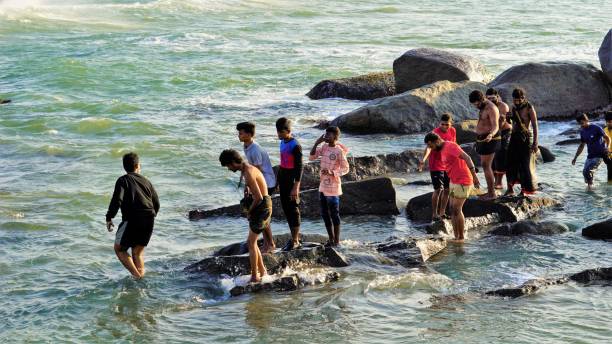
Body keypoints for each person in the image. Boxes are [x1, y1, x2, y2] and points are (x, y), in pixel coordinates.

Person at [219, 149, 272, 283]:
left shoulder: (248, 171)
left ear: (233, 162)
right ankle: (262, 271)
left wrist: (249, 211)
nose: (229, 169)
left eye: (228, 166)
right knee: (251, 242)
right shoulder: (246, 169)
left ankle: (255, 276)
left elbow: (259, 198)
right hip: (262, 206)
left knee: (251, 242)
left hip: (262, 206)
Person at [106, 152, 160, 279]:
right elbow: (156, 203)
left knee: (119, 249)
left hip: (132, 220)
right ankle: (141, 278)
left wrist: (109, 217)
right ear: (137, 166)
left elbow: (117, 200)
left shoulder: (122, 180)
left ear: (125, 167)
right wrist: (150, 217)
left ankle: (137, 277)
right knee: (137, 252)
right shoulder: (147, 182)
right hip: (149, 219)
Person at [424, 133, 480, 241]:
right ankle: (456, 236)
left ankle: (461, 237)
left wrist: (475, 177)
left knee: (457, 209)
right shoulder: (441, 149)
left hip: (463, 180)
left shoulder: (450, 146)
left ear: (437, 141)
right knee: (452, 209)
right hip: (453, 181)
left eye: (431, 146)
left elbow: (467, 157)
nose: (431, 148)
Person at [236, 121, 276, 253]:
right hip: (260, 182)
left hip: (266, 183)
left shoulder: (255, 149)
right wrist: (247, 186)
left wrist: (250, 187)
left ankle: (269, 244)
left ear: (248, 134)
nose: (239, 135)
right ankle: (268, 243)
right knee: (262, 214)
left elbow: (256, 171)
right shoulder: (247, 146)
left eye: (241, 133)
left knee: (262, 214)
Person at [309, 126, 350, 246]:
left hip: (333, 186)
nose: (326, 136)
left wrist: (333, 172)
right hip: (323, 184)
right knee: (324, 213)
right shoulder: (324, 147)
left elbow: (346, 168)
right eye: (325, 134)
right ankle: (331, 239)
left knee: (334, 213)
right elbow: (312, 157)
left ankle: (336, 241)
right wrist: (317, 142)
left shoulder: (339, 151)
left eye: (329, 135)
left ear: (335, 137)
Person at [418, 112, 456, 221]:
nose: (444, 126)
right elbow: (429, 148)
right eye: (442, 124)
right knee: (438, 189)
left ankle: (442, 213)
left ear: (450, 124)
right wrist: (423, 160)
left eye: (447, 124)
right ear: (440, 123)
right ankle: (434, 214)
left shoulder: (453, 130)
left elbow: (454, 145)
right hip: (436, 165)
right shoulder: (435, 133)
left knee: (447, 189)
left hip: (447, 164)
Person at [276, 117, 303, 251]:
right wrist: (277, 182)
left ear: (288, 131)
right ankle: (293, 238)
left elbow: (299, 167)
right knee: (286, 209)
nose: (278, 134)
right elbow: (282, 164)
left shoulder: (295, 145)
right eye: (277, 131)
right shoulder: (282, 142)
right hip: (283, 178)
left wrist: (296, 186)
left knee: (293, 209)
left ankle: (296, 240)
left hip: (292, 180)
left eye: (281, 132)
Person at [505, 88, 539, 196]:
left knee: (524, 165)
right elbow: (510, 123)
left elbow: (535, 125)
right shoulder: (513, 107)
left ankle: (524, 190)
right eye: (515, 100)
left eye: (519, 100)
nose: (516, 102)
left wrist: (535, 142)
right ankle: (510, 188)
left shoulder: (529, 108)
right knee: (510, 162)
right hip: (514, 137)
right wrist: (508, 118)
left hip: (526, 138)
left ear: (523, 98)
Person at [469, 90, 500, 200]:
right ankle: (490, 192)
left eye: (477, 103)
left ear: (482, 99)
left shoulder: (491, 108)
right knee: (485, 165)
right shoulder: (482, 107)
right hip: (482, 139)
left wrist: (491, 134)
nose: (476, 106)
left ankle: (491, 194)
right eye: (474, 104)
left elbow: (495, 125)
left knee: (486, 166)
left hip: (490, 138)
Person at [571, 114, 611, 191]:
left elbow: (607, 138)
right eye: (580, 123)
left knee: (587, 171)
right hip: (590, 156)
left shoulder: (596, 128)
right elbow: (582, 146)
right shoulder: (582, 132)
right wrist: (575, 157)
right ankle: (592, 188)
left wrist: (608, 147)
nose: (581, 125)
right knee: (584, 173)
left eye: (582, 123)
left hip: (599, 155)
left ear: (587, 121)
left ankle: (591, 188)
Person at [486, 88, 512, 189]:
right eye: (489, 98)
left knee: (501, 153)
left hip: (504, 131)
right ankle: (492, 183)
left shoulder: (503, 106)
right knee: (491, 156)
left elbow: (500, 124)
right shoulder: (487, 106)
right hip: (492, 132)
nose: (491, 100)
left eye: (493, 98)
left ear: (497, 97)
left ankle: (499, 182)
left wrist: (493, 135)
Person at [605, 112, 612, 182]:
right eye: (607, 122)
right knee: (609, 177)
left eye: (610, 122)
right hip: (609, 157)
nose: (608, 123)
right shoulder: (604, 131)